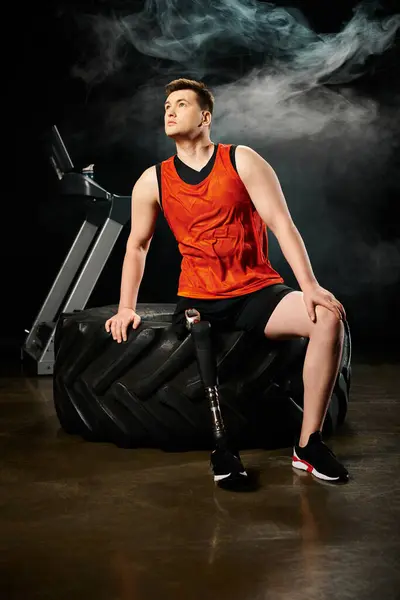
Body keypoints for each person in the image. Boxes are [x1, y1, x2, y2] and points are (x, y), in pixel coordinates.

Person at [105, 78, 349, 483]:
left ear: (205, 117)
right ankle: (222, 449)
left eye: (180, 104)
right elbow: (137, 246)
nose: (169, 110)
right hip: (199, 297)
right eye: (166, 105)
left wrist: (308, 285)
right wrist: (126, 307)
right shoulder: (153, 180)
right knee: (200, 338)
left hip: (256, 290)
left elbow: (280, 224)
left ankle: (308, 446)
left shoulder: (242, 160)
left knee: (327, 318)